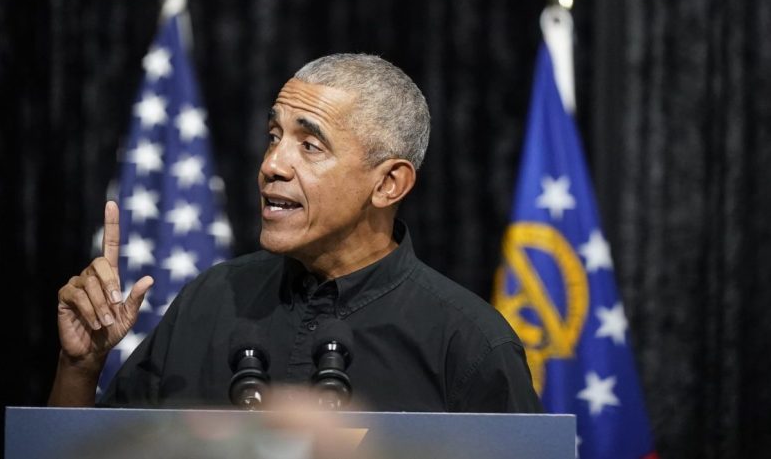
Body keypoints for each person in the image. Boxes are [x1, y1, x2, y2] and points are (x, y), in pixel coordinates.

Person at [48, 53, 541, 412]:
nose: (271, 165)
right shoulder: (211, 300)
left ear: (389, 183)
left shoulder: (469, 344)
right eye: (273, 137)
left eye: (310, 145)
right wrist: (81, 365)